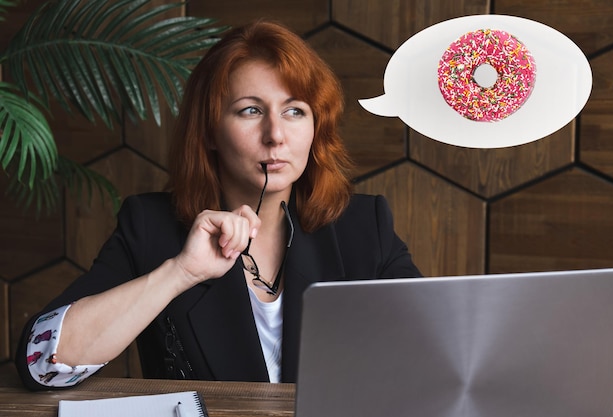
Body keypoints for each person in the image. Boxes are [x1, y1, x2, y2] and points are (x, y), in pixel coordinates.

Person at [15, 19, 420, 390]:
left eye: (295, 111)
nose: (275, 134)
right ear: (209, 131)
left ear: (316, 127)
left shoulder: (366, 225)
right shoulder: (150, 225)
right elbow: (41, 365)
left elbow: (443, 350)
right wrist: (180, 272)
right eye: (250, 110)